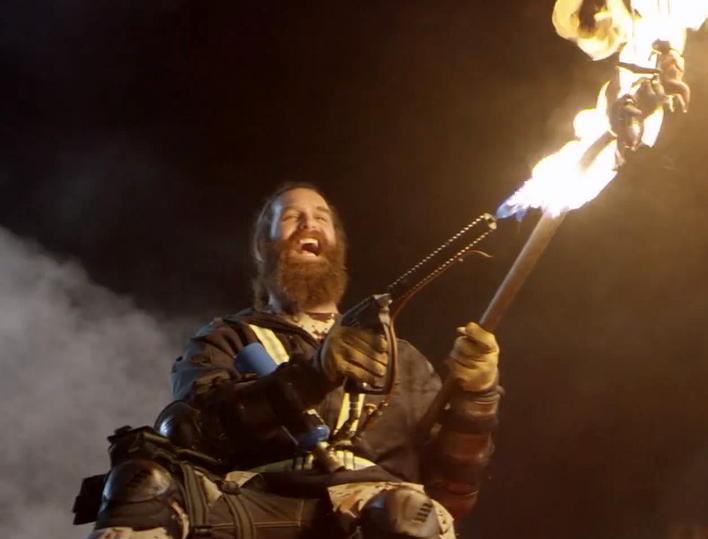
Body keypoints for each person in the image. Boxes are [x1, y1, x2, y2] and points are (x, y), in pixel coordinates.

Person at [84, 183, 501, 539]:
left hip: (376, 506)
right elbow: (192, 432)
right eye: (290, 217)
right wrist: (311, 376)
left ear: (338, 246)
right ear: (263, 247)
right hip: (256, 499)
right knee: (141, 486)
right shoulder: (227, 338)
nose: (308, 223)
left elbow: (453, 491)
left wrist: (477, 397)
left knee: (408, 517)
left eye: (321, 217)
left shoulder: (402, 358)